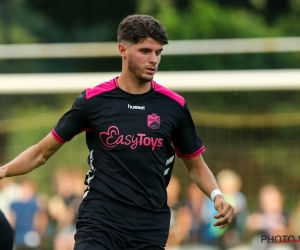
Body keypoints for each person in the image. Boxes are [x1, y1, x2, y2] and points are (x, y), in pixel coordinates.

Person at [0, 14, 234, 250]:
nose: (153, 59)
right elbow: (41, 153)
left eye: (158, 52)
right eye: (145, 51)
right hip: (99, 221)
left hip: (149, 225)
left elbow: (196, 166)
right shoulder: (92, 101)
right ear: (123, 49)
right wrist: (3, 171)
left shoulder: (174, 106)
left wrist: (217, 195)